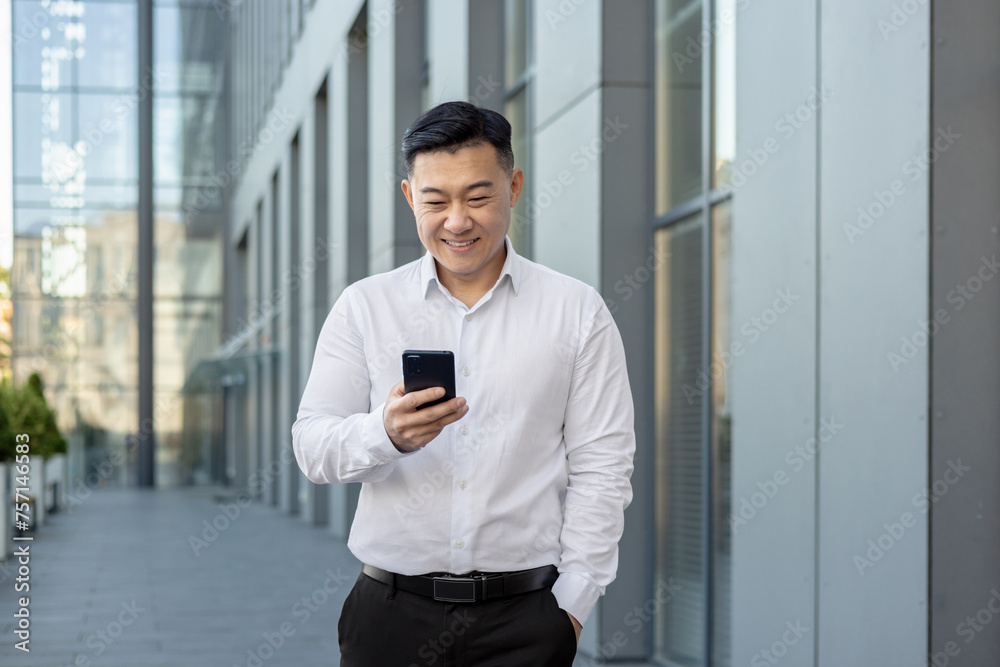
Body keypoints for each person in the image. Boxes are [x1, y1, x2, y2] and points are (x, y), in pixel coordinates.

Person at [292, 100, 635, 666]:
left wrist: (572, 605)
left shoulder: (576, 311)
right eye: (435, 201)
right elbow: (312, 448)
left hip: (525, 620)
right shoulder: (364, 307)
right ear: (409, 198)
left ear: (514, 186)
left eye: (478, 197)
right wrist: (386, 433)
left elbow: (604, 463)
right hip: (389, 617)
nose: (457, 221)